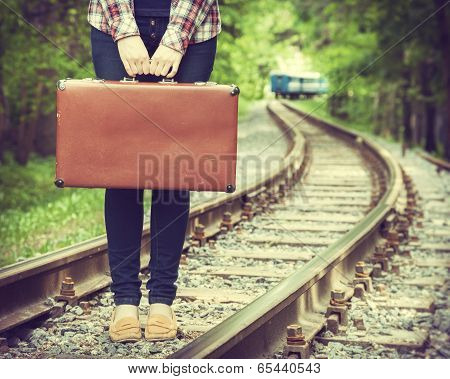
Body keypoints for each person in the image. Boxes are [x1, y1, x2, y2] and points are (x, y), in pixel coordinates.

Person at [87, 0, 221, 342]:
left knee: (173, 169)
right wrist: (125, 30)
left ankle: (162, 301)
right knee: (124, 167)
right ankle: (125, 303)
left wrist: (176, 36)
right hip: (112, 20)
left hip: (195, 24)